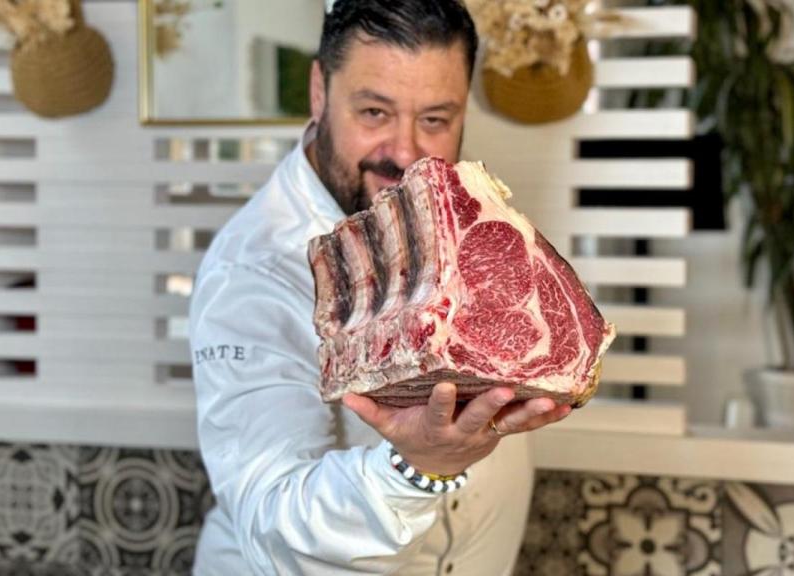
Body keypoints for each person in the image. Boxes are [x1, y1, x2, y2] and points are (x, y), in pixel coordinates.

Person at [189, 1, 572, 573]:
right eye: (374, 112)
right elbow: (273, 521)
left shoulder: (456, 216)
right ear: (320, 91)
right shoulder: (255, 271)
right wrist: (420, 466)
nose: (406, 152)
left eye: (436, 120)